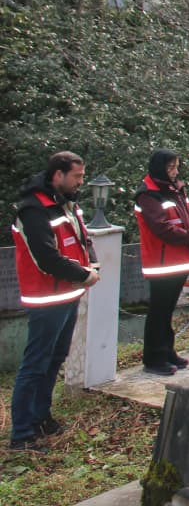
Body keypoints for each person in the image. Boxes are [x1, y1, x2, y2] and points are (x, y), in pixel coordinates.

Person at [9, 151, 100, 453]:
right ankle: (22, 434)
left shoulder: (66, 203)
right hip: (45, 298)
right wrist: (83, 274)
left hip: (67, 295)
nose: (81, 182)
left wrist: (92, 264)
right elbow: (46, 258)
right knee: (36, 364)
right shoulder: (33, 210)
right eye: (77, 176)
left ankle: (40, 417)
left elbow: (82, 238)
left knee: (55, 358)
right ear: (58, 175)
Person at [133, 149, 189, 375]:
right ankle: (154, 357)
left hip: (180, 258)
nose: (175, 172)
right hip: (161, 261)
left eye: (176, 167)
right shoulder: (148, 196)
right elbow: (162, 228)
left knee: (168, 310)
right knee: (158, 310)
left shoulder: (177, 190)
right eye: (170, 167)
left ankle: (167, 351)